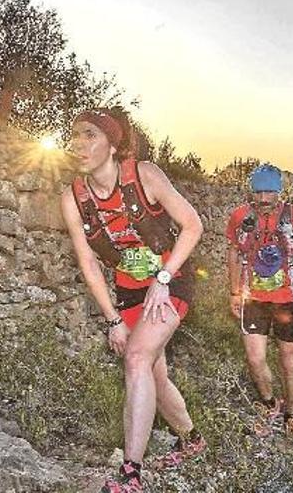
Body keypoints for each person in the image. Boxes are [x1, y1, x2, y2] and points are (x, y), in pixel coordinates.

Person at [60, 107, 205, 492]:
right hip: (128, 290)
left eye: (90, 135)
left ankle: (130, 475)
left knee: (137, 357)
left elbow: (193, 225)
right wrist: (111, 319)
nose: (80, 143)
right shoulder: (73, 197)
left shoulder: (145, 175)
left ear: (112, 143)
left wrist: (163, 276)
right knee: (153, 372)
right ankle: (192, 440)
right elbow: (89, 262)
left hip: (170, 282)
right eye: (76, 135)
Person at [226, 163, 293, 438]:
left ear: (279, 192)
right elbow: (233, 254)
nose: (264, 199)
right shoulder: (239, 217)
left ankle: (291, 415)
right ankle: (270, 405)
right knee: (255, 359)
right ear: (251, 192)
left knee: (288, 361)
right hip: (253, 300)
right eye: (259, 192)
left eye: (270, 192)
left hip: (288, 300)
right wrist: (234, 291)